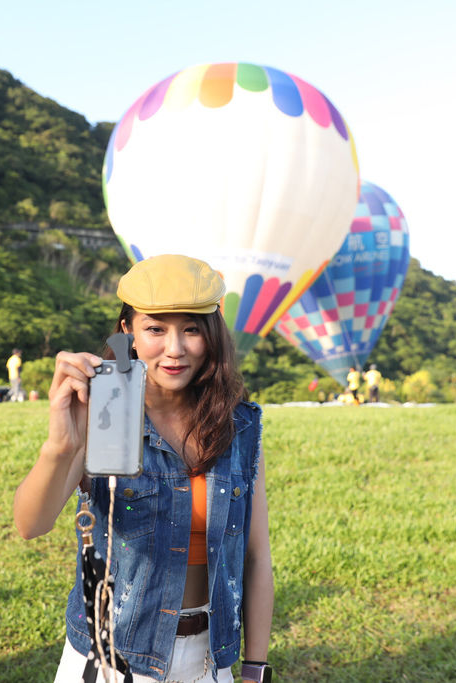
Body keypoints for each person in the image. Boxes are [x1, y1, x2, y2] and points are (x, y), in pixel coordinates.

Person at [14, 254, 274, 683]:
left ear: (212, 334)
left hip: (210, 661)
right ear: (128, 332)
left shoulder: (240, 426)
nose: (174, 349)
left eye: (191, 329)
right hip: (111, 658)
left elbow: (256, 555)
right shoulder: (103, 414)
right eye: (155, 328)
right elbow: (30, 524)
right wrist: (61, 445)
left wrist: (255, 667)